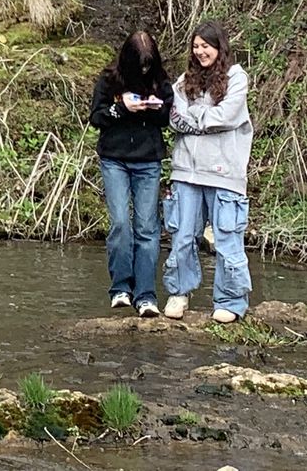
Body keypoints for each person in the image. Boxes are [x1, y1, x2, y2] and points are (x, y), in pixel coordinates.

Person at [164, 20, 254, 323]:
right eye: (196, 46)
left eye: (206, 46)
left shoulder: (236, 78)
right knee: (182, 236)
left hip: (225, 173)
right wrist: (205, 120)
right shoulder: (183, 80)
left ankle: (230, 301)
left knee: (227, 238)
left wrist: (196, 116)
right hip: (186, 172)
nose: (200, 51)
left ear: (219, 47)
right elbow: (173, 117)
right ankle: (179, 293)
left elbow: (227, 116)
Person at [89, 30, 173, 317]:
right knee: (121, 223)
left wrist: (150, 107)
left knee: (147, 227)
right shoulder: (108, 79)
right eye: (140, 65)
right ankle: (121, 288)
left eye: (148, 65)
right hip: (115, 159)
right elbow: (96, 118)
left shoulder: (160, 80)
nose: (144, 70)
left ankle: (146, 295)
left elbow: (166, 118)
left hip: (148, 161)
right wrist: (121, 108)